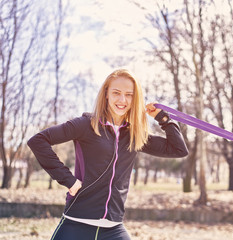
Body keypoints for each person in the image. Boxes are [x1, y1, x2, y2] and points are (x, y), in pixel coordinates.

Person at [27, 69, 188, 240]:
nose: (122, 100)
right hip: (76, 224)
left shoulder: (135, 134)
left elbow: (178, 149)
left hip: (113, 229)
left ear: (135, 99)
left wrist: (163, 119)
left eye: (129, 95)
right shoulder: (85, 125)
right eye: (116, 93)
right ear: (106, 94)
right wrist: (68, 180)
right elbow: (38, 141)